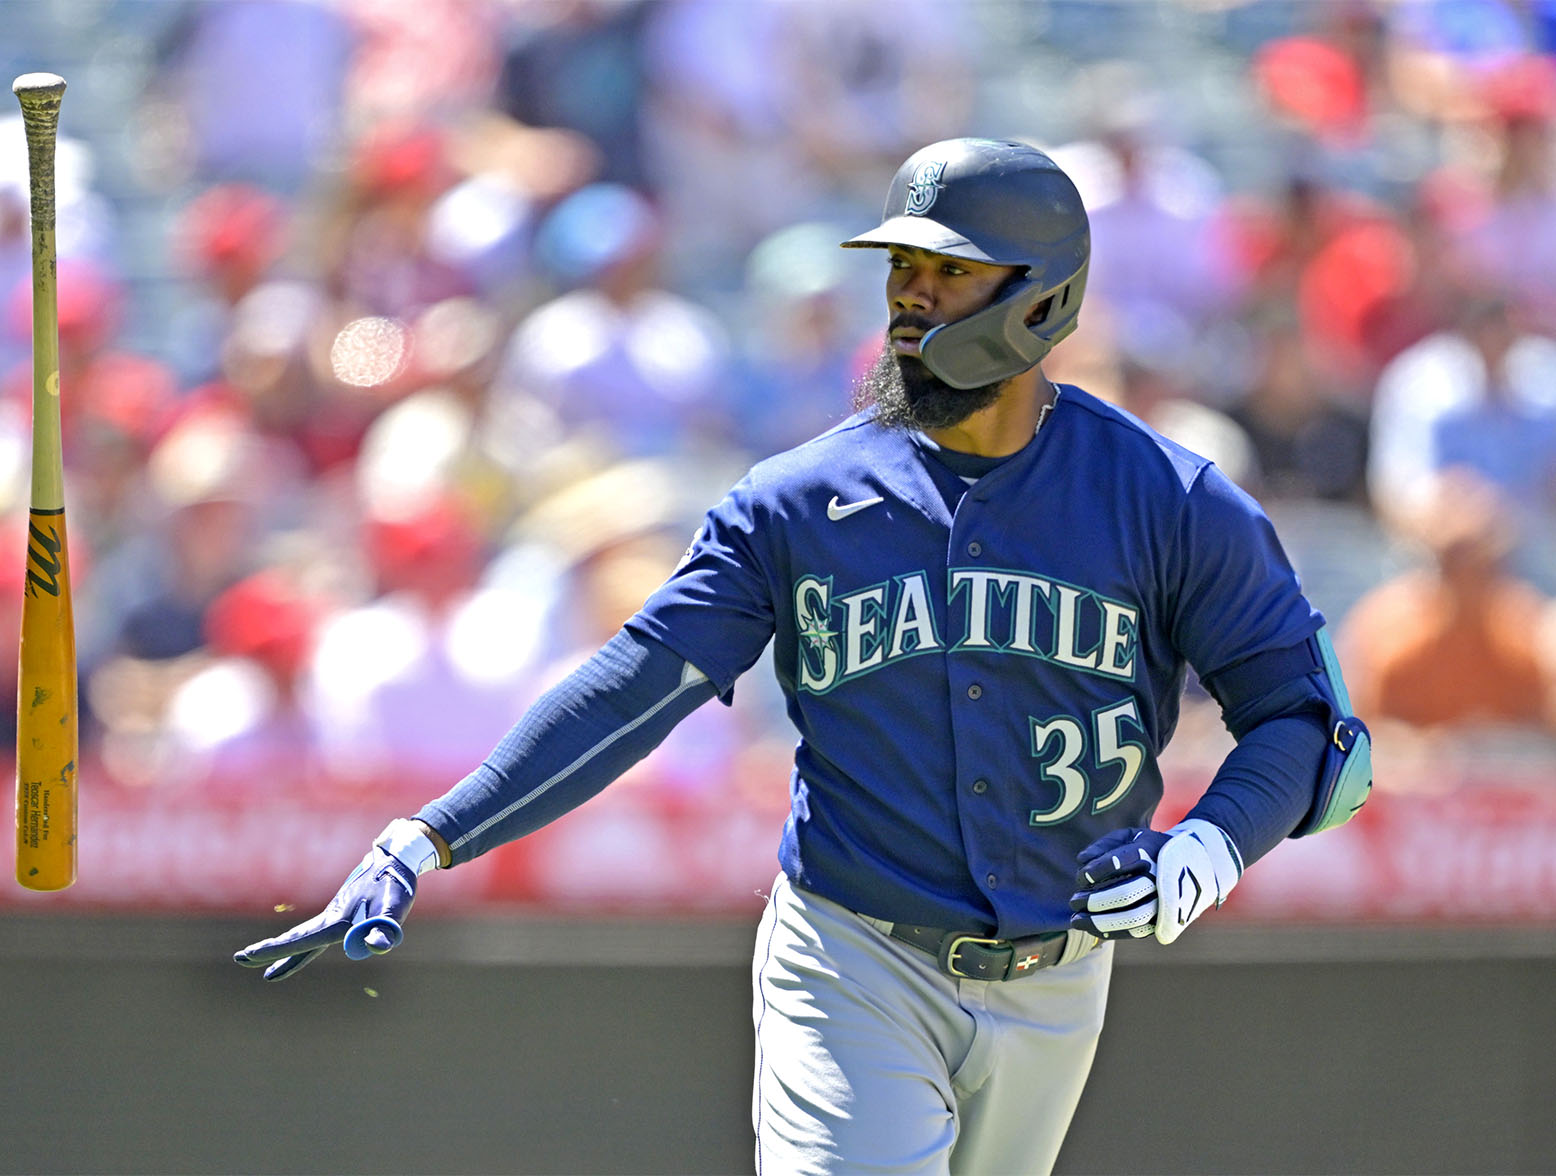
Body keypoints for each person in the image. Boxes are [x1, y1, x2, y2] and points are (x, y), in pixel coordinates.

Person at [236, 139, 1373, 1175]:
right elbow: (641, 682)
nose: (910, 298)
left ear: (1043, 300)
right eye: (900, 272)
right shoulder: (796, 501)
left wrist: (1210, 849)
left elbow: (1310, 729)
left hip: (1058, 974)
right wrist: (430, 832)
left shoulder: (1166, 499)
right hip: (851, 956)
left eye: (948, 273)